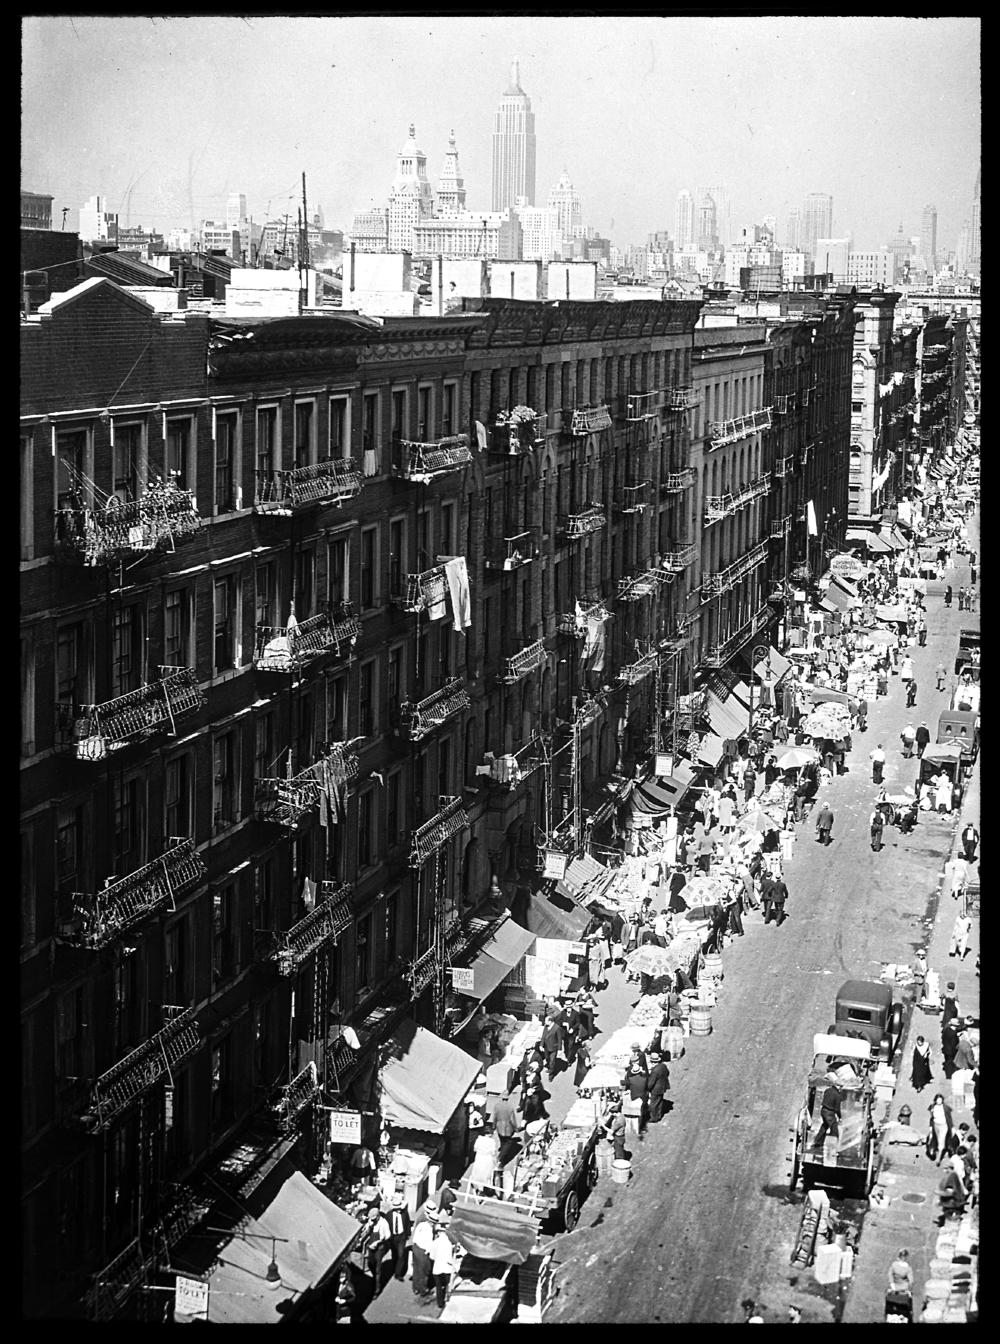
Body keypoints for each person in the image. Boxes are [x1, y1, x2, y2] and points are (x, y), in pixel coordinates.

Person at [359, 1203, 391, 1292]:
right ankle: (374, 1279)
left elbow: (388, 1235)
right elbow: (366, 1233)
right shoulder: (371, 1223)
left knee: (378, 1267)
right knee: (370, 1263)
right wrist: (369, 1226)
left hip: (379, 1247)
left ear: (378, 1216)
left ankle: (377, 1288)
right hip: (371, 1246)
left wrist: (378, 1242)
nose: (373, 1221)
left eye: (374, 1219)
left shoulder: (383, 1223)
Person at [493, 1089, 523, 1167]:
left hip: (499, 1127)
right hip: (508, 1128)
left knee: (502, 1142)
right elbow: (512, 1120)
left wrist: (493, 1126)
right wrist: (516, 1128)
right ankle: (501, 1158)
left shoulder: (497, 1106)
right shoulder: (510, 1107)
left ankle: (502, 1154)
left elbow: (494, 1117)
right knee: (507, 1143)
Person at [387, 1191, 413, 1282]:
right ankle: (394, 1268)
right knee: (394, 1254)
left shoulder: (404, 1214)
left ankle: (398, 1274)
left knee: (401, 1255)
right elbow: (387, 1226)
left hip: (401, 1237)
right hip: (392, 1237)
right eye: (396, 1208)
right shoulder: (389, 1215)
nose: (398, 1210)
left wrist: (408, 1234)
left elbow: (408, 1224)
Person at [410, 1210, 436, 1300]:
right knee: (424, 1271)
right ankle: (423, 1290)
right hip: (423, 1251)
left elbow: (415, 1236)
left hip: (415, 1247)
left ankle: (415, 1288)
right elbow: (429, 1245)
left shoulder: (421, 1225)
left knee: (416, 1269)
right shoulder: (429, 1230)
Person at [430, 1224, 457, 1308]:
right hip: (447, 1268)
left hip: (437, 1268)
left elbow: (432, 1256)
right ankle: (447, 1299)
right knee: (447, 1285)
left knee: (438, 1286)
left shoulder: (435, 1242)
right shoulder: (450, 1242)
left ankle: (440, 1303)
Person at [469, 1122, 500, 1194]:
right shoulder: (492, 1141)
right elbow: (493, 1152)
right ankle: (482, 1189)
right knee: (485, 1174)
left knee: (478, 1171)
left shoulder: (479, 1139)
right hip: (487, 1159)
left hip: (479, 1157)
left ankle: (476, 1186)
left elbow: (475, 1148)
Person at [886, 1249, 914, 1322]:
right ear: (906, 1257)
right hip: (904, 1288)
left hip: (894, 1287)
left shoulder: (894, 1265)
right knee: (909, 1301)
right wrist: (908, 1287)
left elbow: (890, 1274)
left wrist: (892, 1284)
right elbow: (911, 1281)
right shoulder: (908, 1268)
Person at [814, 1080, 842, 1149]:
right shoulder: (837, 1095)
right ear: (838, 1087)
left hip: (823, 1110)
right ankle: (833, 1146)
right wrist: (840, 1117)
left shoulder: (827, 1090)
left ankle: (817, 1142)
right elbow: (837, 1108)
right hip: (829, 1113)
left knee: (825, 1126)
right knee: (834, 1129)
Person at [928, 1093, 954, 1165]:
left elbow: (949, 1118)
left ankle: (938, 1159)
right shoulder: (933, 1107)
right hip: (936, 1126)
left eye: (940, 1100)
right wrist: (930, 1127)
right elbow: (931, 1118)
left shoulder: (945, 1108)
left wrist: (952, 1127)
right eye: (938, 1100)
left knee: (941, 1141)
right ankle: (936, 1151)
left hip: (944, 1126)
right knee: (935, 1139)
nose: (939, 1101)